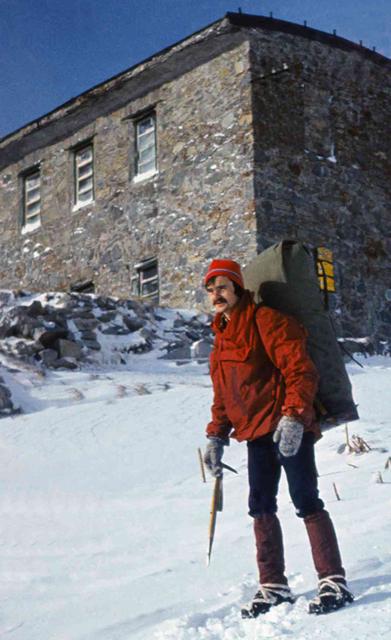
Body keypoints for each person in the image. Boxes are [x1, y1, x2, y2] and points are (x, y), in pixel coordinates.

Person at [202, 258, 354, 617]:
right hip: (254, 432)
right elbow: (224, 395)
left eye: (222, 286)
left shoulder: (266, 321)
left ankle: (333, 579)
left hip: (286, 424)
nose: (216, 295)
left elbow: (300, 370)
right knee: (260, 505)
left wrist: (294, 417)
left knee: (305, 497)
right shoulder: (221, 338)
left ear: (238, 287)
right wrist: (216, 436)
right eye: (210, 290)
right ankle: (273, 585)